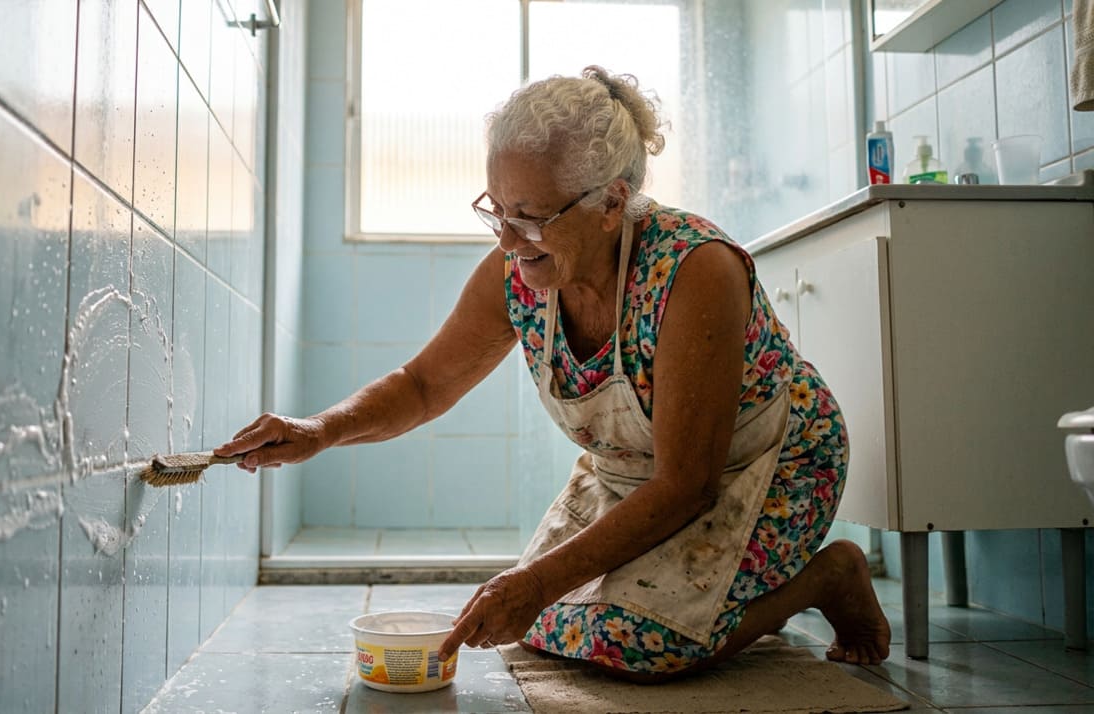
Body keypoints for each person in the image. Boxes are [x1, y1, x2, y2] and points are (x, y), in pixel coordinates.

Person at [214, 66, 891, 681]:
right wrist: (319, 430)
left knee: (640, 644)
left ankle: (826, 578)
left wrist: (535, 581)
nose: (508, 241)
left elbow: (689, 484)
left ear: (610, 204)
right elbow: (423, 386)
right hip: (639, 476)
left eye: (532, 218)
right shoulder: (516, 274)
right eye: (497, 211)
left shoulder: (695, 270)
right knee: (543, 627)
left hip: (769, 466)